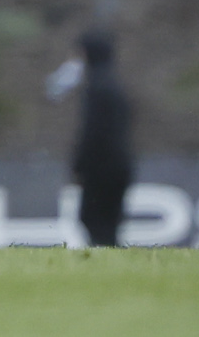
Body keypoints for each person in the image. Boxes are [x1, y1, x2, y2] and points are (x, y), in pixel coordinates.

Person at [69, 30, 134, 246]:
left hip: (101, 166)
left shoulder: (97, 88)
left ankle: (108, 259)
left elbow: (94, 132)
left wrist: (80, 164)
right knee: (108, 221)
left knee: (95, 220)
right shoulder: (115, 86)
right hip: (119, 163)